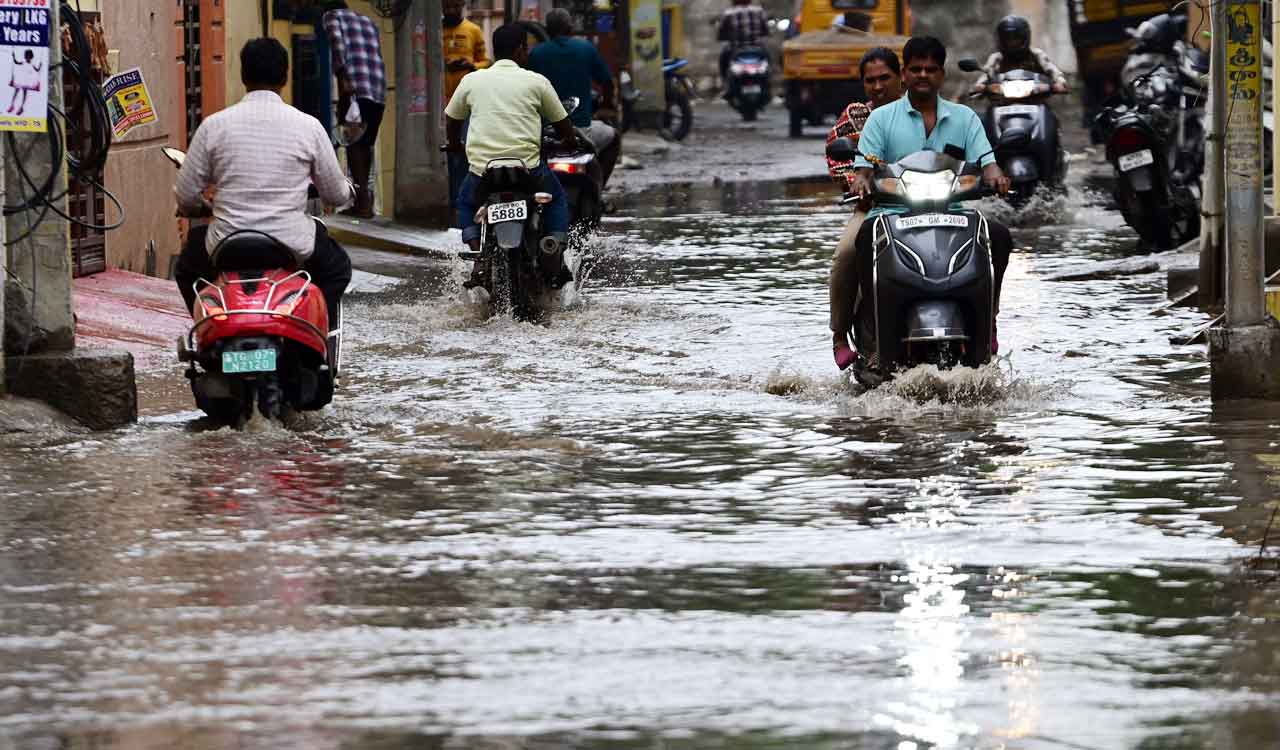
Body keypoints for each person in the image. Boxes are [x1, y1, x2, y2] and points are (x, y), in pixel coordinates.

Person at [846, 36, 1014, 367]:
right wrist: (862, 181)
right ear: (904, 74)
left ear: (942, 75)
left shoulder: (965, 118)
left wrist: (996, 175)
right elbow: (864, 167)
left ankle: (988, 317)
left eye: (931, 69)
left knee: (999, 236)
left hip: (952, 211)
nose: (923, 75)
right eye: (916, 69)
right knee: (862, 240)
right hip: (891, 212)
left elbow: (987, 160)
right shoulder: (881, 118)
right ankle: (874, 333)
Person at [174, 38, 354, 326]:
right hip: (291, 243)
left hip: (225, 244)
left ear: (243, 75)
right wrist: (347, 190)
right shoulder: (308, 126)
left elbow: (185, 195)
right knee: (338, 269)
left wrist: (200, 207)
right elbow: (335, 194)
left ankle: (205, 332)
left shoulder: (213, 126)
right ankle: (318, 338)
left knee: (185, 269)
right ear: (285, 77)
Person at [444, 24, 576, 285]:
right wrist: (568, 141)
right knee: (557, 198)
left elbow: (452, 119)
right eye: (526, 49)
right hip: (528, 169)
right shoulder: (537, 81)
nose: (527, 53)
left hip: (483, 170)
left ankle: (478, 254)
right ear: (519, 51)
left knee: (466, 203)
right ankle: (553, 246)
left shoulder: (472, 80)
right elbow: (563, 125)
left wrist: (455, 144)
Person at [825, 47, 902, 370]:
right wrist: (857, 183)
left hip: (927, 205)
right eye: (870, 80)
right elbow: (838, 160)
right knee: (846, 255)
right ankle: (839, 333)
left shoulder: (922, 112)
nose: (878, 86)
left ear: (901, 77)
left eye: (885, 78)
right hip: (873, 208)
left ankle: (984, 323)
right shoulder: (856, 115)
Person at [528, 8, 620, 184]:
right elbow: (607, 83)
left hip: (545, 133)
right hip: (581, 130)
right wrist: (606, 106)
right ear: (570, 28)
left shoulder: (536, 53)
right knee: (613, 137)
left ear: (547, 30)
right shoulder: (585, 48)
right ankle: (599, 187)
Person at [321, 1, 387, 219]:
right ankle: (364, 199)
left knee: (354, 144)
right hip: (378, 89)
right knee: (366, 144)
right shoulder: (368, 21)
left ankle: (363, 203)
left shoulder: (331, 17)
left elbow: (338, 49)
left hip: (355, 88)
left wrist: (344, 89)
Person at [443, 0, 490, 227]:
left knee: (462, 154)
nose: (451, 11)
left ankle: (460, 202)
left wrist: (470, 65)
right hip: (441, 103)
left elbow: (486, 61)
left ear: (462, 6)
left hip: (467, 105)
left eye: (455, 7)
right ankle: (450, 202)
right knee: (446, 156)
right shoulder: (434, 31)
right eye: (447, 7)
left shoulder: (473, 30)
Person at [972, 15, 1068, 94]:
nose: (1012, 42)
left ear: (1024, 37)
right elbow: (987, 72)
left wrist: (1060, 81)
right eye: (1008, 39)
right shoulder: (997, 58)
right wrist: (980, 85)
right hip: (1002, 101)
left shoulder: (1036, 54)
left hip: (1035, 99)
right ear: (1001, 39)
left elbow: (1051, 69)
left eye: (1016, 38)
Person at [717, 0, 768, 84]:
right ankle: (768, 80)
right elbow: (766, 32)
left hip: (735, 50)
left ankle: (725, 82)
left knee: (723, 60)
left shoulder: (728, 13)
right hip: (757, 49)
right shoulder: (759, 11)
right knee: (767, 59)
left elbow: (720, 35)